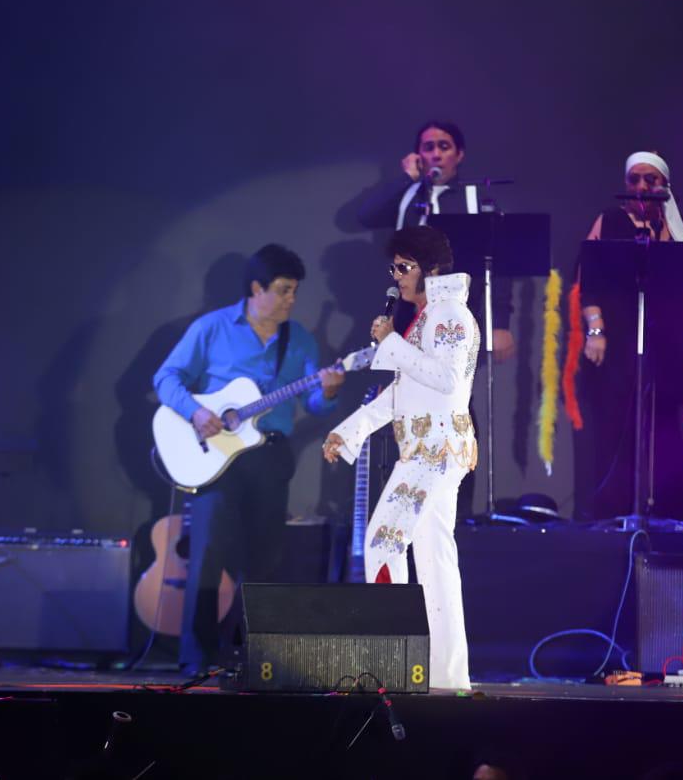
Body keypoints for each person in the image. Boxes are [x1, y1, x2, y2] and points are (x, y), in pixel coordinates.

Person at [153, 244, 343, 674]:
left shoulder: (301, 340)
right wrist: (197, 412)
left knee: (265, 558)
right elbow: (166, 378)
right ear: (256, 289)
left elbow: (313, 403)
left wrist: (328, 391)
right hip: (215, 458)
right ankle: (197, 659)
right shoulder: (212, 328)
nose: (292, 300)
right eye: (283, 290)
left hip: (270, 456)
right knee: (208, 554)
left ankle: (252, 656)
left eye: (295, 291)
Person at [322, 226, 478, 691]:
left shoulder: (448, 314)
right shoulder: (427, 317)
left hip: (434, 452)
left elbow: (447, 380)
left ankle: (391, 664)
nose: (397, 279)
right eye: (394, 268)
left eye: (405, 268)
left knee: (384, 541)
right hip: (429, 451)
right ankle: (446, 677)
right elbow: (401, 394)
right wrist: (348, 432)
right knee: (434, 560)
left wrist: (391, 344)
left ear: (431, 270)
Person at [571, 151, 683, 522]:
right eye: (635, 180)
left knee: (663, 433)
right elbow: (585, 280)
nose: (642, 187)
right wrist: (596, 330)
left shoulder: (672, 231)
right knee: (613, 430)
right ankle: (612, 515)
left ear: (664, 187)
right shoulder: (609, 220)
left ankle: (666, 516)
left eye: (650, 180)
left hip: (662, 346)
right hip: (616, 345)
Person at [357, 119, 515, 361]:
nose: (436, 154)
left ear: (459, 154)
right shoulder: (409, 197)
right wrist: (406, 178)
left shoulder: (476, 200)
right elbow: (367, 215)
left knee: (451, 393)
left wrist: (500, 322)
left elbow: (501, 263)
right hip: (409, 313)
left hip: (458, 315)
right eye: (428, 148)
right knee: (404, 390)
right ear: (419, 155)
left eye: (444, 146)